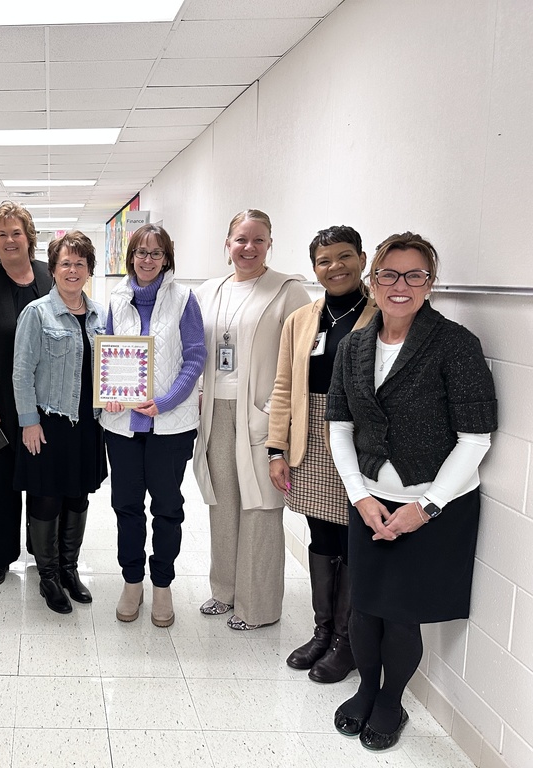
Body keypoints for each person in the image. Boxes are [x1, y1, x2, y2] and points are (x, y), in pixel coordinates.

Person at [326, 232, 496, 750]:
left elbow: (475, 438)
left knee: (402, 615)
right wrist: (358, 494)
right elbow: (339, 425)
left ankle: (391, 700)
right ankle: (367, 688)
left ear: (430, 282)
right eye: (389, 275)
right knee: (364, 607)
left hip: (433, 507)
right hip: (369, 501)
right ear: (372, 280)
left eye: (414, 275)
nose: (400, 286)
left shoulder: (456, 344)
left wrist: (426, 506)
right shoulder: (355, 344)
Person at [265, 225, 377, 683]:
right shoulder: (302, 319)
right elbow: (284, 385)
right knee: (320, 534)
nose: (335, 267)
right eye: (324, 261)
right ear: (314, 268)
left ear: (363, 258)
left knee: (352, 537)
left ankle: (346, 642)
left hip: (358, 440)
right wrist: (276, 448)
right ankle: (322, 631)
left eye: (344, 256)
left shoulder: (379, 314)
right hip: (308, 437)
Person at [193, 209, 310, 630]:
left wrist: (285, 424)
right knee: (222, 504)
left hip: (262, 415)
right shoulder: (210, 290)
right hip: (216, 413)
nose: (248, 247)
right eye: (241, 239)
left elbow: (301, 362)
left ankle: (257, 606)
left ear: (270, 244)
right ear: (227, 244)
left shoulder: (288, 291)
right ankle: (224, 591)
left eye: (258, 240)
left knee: (260, 506)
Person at [101, 224, 207, 627]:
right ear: (131, 257)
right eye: (141, 252)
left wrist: (163, 402)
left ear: (167, 259)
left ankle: (162, 584)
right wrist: (106, 388)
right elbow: (108, 353)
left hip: (171, 426)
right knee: (126, 506)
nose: (148, 260)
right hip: (122, 426)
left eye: (156, 253)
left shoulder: (184, 300)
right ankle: (132, 581)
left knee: (167, 509)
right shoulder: (116, 298)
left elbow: (195, 358)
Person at [13, 231, 107, 613]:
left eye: (80, 263)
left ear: (89, 270)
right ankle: (48, 576)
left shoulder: (100, 315)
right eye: (65, 263)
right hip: (49, 422)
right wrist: (28, 421)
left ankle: (69, 569)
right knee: (46, 497)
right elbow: (21, 372)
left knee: (77, 495)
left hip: (88, 422)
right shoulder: (37, 313)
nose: (72, 270)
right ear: (53, 269)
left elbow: (108, 367)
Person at [0, 202, 53, 586]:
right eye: (2, 234)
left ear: (29, 238)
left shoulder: (52, 278)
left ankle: (42, 550)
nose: (9, 240)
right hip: (1, 409)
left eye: (16, 232)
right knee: (2, 484)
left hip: (47, 406)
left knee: (43, 480)